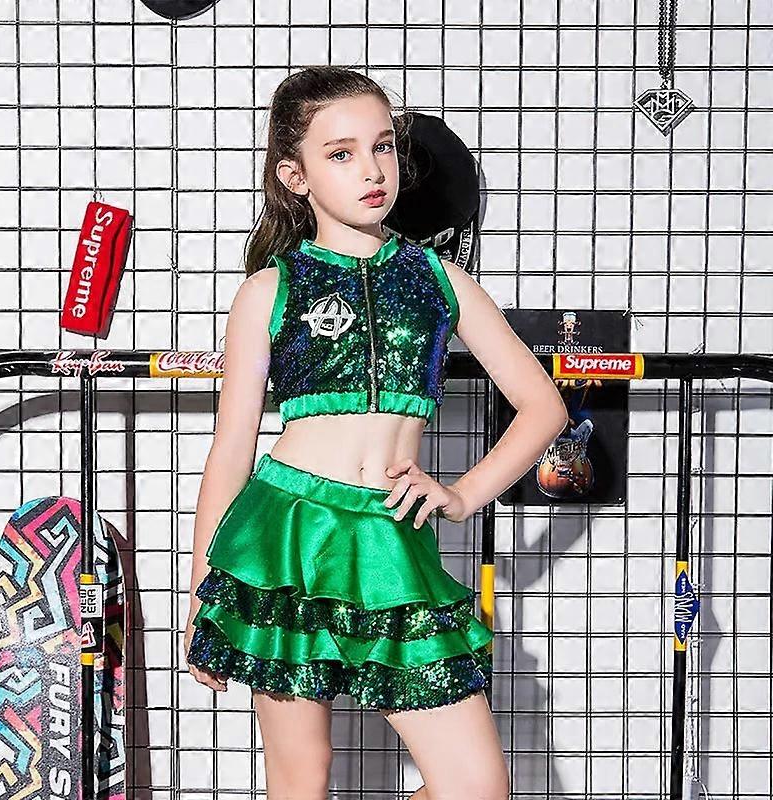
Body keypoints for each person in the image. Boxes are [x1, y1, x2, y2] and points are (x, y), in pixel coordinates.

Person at [183, 65, 567, 800]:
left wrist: (463, 495)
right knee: (302, 778)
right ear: (294, 176)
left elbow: (543, 406)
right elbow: (231, 448)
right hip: (287, 539)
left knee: (475, 786)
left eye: (383, 146)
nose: (372, 169)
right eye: (342, 153)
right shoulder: (269, 290)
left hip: (391, 541)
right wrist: (204, 589)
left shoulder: (439, 279)